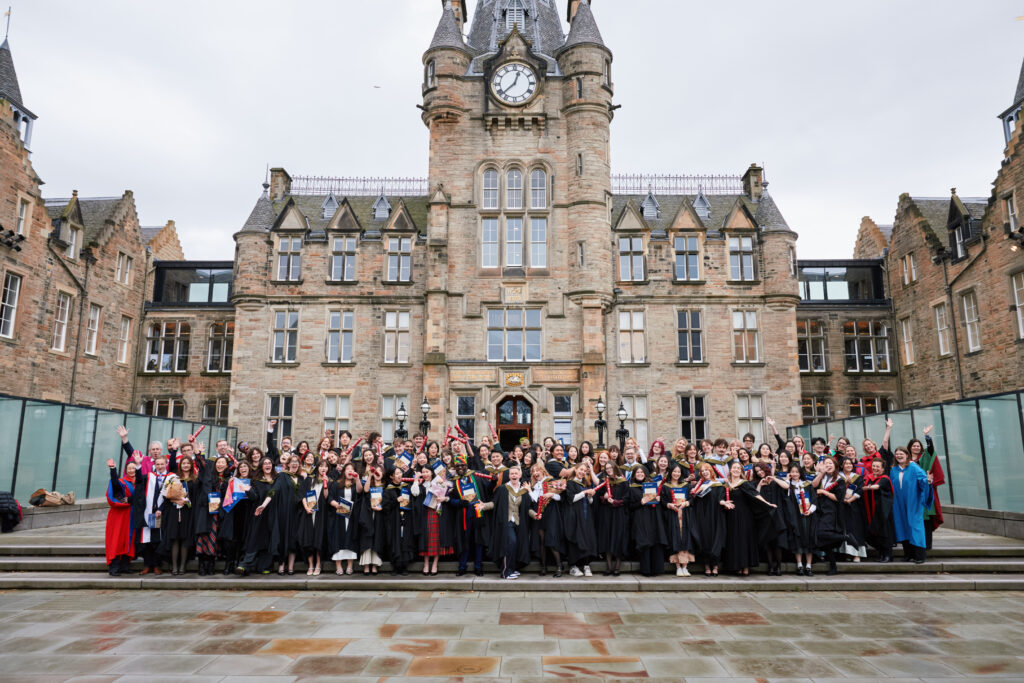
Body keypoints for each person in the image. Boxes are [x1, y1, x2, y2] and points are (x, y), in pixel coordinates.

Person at [722, 461, 777, 577]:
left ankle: (745, 567)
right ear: (730, 470)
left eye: (739, 468)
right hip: (731, 516)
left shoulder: (745, 484)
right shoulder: (726, 485)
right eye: (734, 468)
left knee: (744, 540)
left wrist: (767, 503)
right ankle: (736, 566)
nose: (736, 470)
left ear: (741, 471)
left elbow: (755, 495)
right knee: (734, 540)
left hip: (744, 516)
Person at [890, 446, 933, 564]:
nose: (899, 456)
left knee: (915, 526)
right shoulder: (893, 470)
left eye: (901, 454)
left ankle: (920, 555)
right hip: (898, 503)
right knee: (902, 526)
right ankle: (908, 554)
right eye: (897, 454)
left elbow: (923, 480)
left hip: (913, 502)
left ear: (907, 455)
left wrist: (928, 481)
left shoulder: (914, 467)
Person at [490, 464, 532, 580]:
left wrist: (536, 515)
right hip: (506, 522)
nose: (514, 475)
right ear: (509, 475)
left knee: (515, 546)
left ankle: (512, 568)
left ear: (520, 475)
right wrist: (484, 506)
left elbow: (527, 508)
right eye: (512, 473)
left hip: (518, 523)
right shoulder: (503, 489)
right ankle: (505, 572)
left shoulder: (523, 490)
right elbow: (494, 503)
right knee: (510, 544)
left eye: (516, 473)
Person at [131, 453, 171, 575]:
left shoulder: (171, 478)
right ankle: (148, 565)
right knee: (146, 540)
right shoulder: (149, 476)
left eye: (162, 464)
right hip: (148, 513)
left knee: (158, 541)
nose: (159, 466)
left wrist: (161, 508)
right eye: (157, 464)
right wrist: (138, 465)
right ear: (154, 465)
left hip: (163, 514)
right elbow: (138, 481)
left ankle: (157, 565)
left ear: (166, 464)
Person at [627, 466, 667, 578]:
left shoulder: (652, 486)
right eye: (637, 472)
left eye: (642, 472)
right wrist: (640, 502)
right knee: (645, 542)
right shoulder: (631, 488)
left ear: (645, 473)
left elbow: (660, 501)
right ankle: (646, 569)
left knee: (655, 540)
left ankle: (657, 569)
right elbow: (629, 506)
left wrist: (659, 499)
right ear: (634, 475)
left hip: (654, 517)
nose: (640, 474)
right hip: (640, 518)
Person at [909, 426, 944, 552]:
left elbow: (931, 450)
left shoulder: (924, 457)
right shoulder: (905, 460)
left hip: (924, 491)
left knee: (926, 520)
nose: (916, 447)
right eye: (914, 446)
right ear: (910, 447)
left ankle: (927, 545)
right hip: (911, 494)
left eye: (918, 446)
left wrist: (927, 437)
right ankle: (914, 545)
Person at [690, 462, 727, 577]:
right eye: (702, 470)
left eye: (707, 469)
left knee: (716, 538)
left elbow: (720, 498)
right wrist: (695, 494)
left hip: (715, 515)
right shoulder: (699, 485)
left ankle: (715, 565)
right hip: (702, 515)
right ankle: (706, 565)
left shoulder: (718, 485)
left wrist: (723, 502)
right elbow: (695, 501)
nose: (705, 472)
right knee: (704, 538)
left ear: (711, 471)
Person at [105, 458, 136, 576]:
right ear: (126, 471)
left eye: (134, 468)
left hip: (131, 515)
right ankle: (114, 567)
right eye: (129, 468)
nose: (132, 470)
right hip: (119, 515)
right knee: (117, 539)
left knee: (129, 539)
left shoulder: (140, 482)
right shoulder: (122, 482)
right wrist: (113, 470)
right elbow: (116, 486)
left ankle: (125, 566)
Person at [663, 462, 694, 577]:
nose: (676, 473)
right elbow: (663, 502)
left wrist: (686, 503)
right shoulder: (665, 486)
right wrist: (669, 505)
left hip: (684, 515)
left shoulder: (686, 485)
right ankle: (677, 567)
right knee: (674, 538)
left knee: (685, 538)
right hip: (672, 515)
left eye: (678, 472)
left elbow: (692, 500)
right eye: (674, 471)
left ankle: (685, 566)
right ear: (670, 472)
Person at [862, 458, 895, 563]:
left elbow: (877, 487)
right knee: (872, 534)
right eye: (874, 466)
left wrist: (865, 488)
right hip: (870, 512)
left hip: (882, 512)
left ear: (882, 468)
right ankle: (882, 554)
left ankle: (888, 556)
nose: (875, 468)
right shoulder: (868, 478)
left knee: (884, 533)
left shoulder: (885, 478)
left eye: (877, 467)